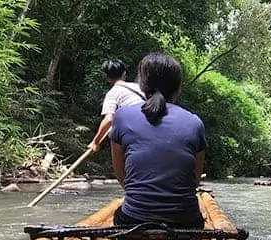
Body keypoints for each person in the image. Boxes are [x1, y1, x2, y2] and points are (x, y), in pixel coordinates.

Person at [109, 52, 207, 228]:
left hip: (134, 218)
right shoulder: (194, 122)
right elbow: (195, 180)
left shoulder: (122, 116)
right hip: (185, 221)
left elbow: (120, 172)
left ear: (142, 83)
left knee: (118, 214)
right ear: (178, 87)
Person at [87, 59, 145, 152]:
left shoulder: (112, 93)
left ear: (107, 77)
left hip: (135, 130)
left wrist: (95, 142)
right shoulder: (138, 87)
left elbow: (109, 119)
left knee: (114, 132)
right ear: (124, 73)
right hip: (152, 124)